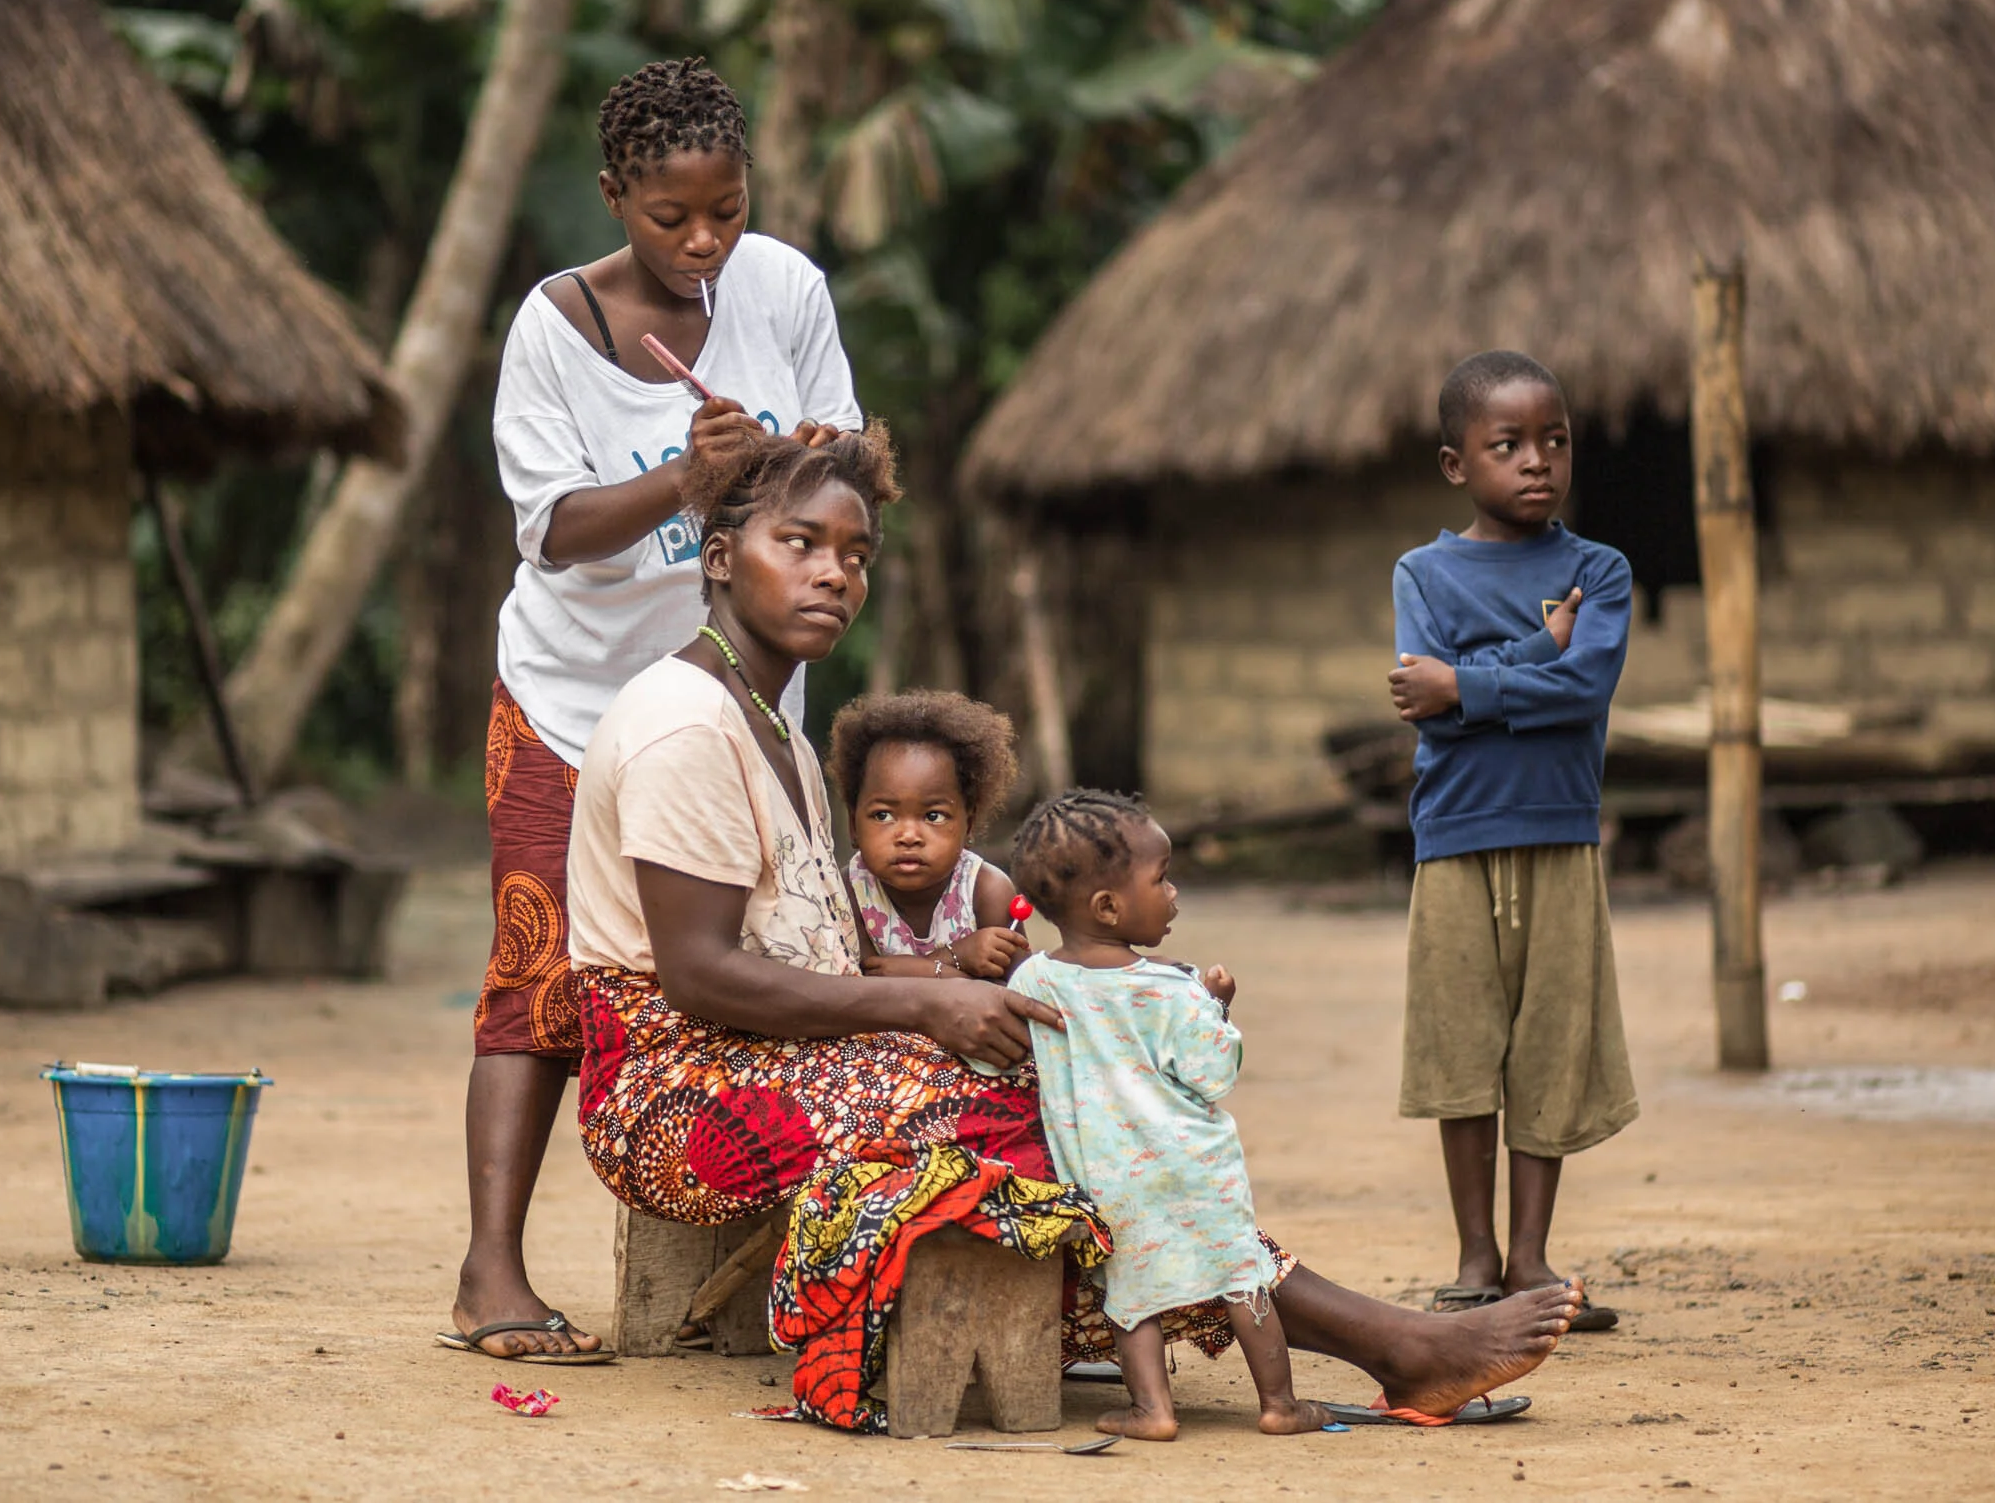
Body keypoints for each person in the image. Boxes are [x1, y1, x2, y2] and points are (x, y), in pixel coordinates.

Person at [565, 419, 1583, 1428]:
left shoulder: (771, 721)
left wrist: (952, 993)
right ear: (715, 557)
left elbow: (804, 947)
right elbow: (697, 976)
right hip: (675, 1095)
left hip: (767, 1051)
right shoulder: (685, 724)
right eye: (799, 543)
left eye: (856, 553)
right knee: (1058, 1115)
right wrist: (926, 1002)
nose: (834, 573)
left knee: (1083, 1074)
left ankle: (1281, 1325)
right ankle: (1384, 1341)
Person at [443, 57, 861, 1365]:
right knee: (540, 975)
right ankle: (491, 1271)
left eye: (727, 210)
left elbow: (844, 473)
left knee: (757, 951)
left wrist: (778, 451)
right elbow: (556, 530)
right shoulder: (552, 329)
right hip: (571, 703)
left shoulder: (783, 287)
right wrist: (689, 476)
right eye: (670, 216)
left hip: (729, 703)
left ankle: (773, 1255)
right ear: (615, 194)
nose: (702, 243)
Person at [1385, 349, 1639, 1330]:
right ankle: (1474, 1254)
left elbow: (1586, 691)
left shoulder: (1598, 569)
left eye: (1555, 440)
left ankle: (1532, 1256)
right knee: (1461, 1043)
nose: (1537, 461)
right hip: (1453, 839)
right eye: (1508, 444)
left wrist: (1474, 681)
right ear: (1457, 463)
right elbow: (1427, 705)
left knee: (1549, 1044)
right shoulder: (1422, 571)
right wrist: (1538, 652)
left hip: (1561, 836)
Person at [1008, 789, 1333, 1440]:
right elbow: (1213, 1073)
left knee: (1132, 1295)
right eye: (1161, 878)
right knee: (1244, 1275)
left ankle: (1153, 1410)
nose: (1175, 891)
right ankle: (1280, 1403)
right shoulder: (1171, 986)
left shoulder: (1033, 982)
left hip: (1106, 1178)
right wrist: (1216, 1004)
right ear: (1108, 905)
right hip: (1198, 1169)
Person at [828, 690, 1028, 981]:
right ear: (853, 826)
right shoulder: (848, 894)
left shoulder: (987, 893)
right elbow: (866, 989)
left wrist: (919, 969)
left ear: (968, 825)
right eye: (883, 815)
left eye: (933, 816)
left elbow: (1023, 996)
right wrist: (952, 961)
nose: (908, 835)